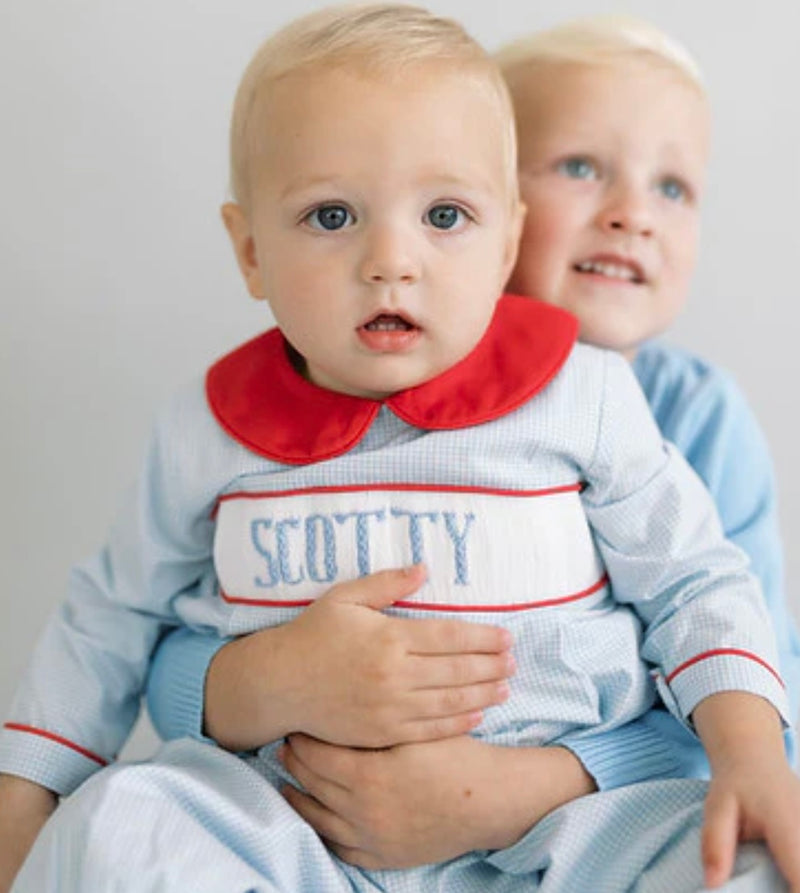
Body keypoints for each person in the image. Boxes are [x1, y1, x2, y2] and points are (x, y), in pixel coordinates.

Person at [1, 5, 798, 891]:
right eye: (332, 214)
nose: (390, 259)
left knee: (747, 859)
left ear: (504, 238)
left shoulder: (592, 397)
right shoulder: (209, 427)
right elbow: (113, 618)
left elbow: (698, 585)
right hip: (292, 825)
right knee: (122, 823)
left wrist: (751, 752)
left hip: (567, 832)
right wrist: (26, 791)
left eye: (443, 214)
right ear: (251, 250)